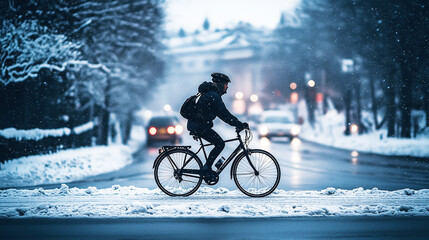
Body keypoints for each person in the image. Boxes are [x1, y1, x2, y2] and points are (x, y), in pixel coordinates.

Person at [187, 72, 248, 172]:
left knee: (218, 143)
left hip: (197, 125)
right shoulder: (213, 96)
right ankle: (207, 168)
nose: (227, 87)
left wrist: (237, 123)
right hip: (199, 126)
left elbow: (224, 114)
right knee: (220, 144)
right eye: (225, 84)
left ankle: (207, 167)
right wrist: (238, 124)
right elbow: (224, 114)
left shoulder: (211, 94)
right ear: (220, 84)